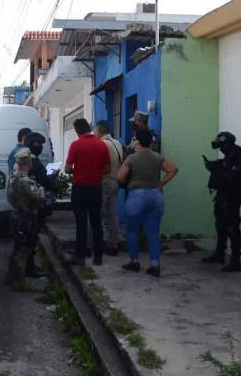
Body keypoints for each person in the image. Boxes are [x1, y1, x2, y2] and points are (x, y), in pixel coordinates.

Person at [117, 129, 178, 277]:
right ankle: (154, 265)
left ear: (137, 141)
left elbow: (120, 177)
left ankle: (134, 261)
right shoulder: (158, 157)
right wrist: (161, 183)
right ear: (151, 141)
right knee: (153, 233)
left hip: (136, 196)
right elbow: (173, 170)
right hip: (155, 196)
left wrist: (128, 182)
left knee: (132, 231)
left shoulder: (132, 158)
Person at [201, 131, 241, 272]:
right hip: (222, 195)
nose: (221, 150)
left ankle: (235, 260)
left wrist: (217, 169)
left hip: (232, 195)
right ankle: (220, 254)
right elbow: (224, 167)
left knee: (232, 227)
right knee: (220, 225)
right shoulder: (228, 157)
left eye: (222, 147)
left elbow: (234, 177)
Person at [65, 119, 110, 266]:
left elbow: (67, 169)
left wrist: (76, 170)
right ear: (89, 129)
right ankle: (98, 256)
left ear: (77, 131)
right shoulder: (101, 144)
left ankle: (80, 255)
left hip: (80, 188)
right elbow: (107, 169)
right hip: (96, 188)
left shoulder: (76, 145)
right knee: (96, 222)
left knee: (81, 223)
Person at [6, 148, 46, 289]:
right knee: (24, 249)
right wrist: (41, 188)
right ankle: (19, 282)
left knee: (17, 248)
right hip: (25, 217)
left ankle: (11, 277)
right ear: (28, 162)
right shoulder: (25, 181)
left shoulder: (12, 177)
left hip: (16, 215)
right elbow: (39, 197)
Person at [95, 120, 124, 256]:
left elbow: (101, 164)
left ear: (99, 130)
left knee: (97, 214)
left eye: (95, 130)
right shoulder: (117, 143)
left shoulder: (102, 144)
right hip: (115, 181)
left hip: (104, 181)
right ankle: (113, 244)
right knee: (113, 215)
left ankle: (96, 244)